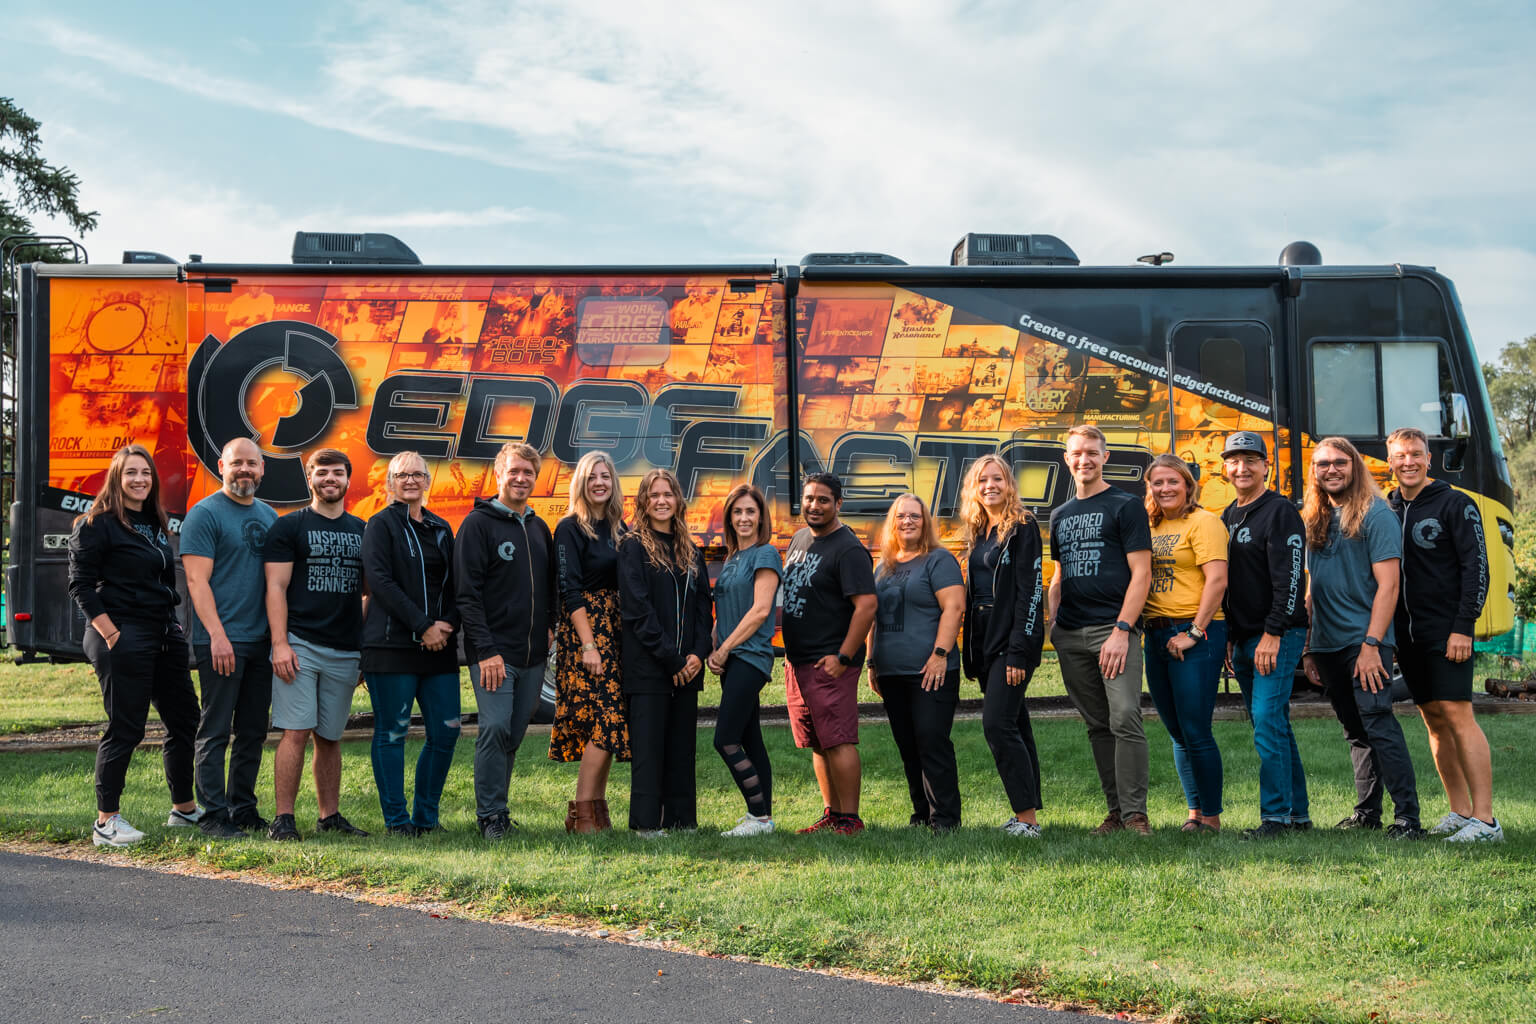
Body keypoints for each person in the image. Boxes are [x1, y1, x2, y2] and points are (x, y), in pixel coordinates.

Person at [68, 445, 202, 847]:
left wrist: (171, 627)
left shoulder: (153, 522)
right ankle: (106, 822)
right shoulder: (95, 524)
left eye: (145, 473)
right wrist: (112, 635)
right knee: (126, 725)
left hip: (162, 631)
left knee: (184, 720)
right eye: (131, 473)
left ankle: (184, 809)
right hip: (122, 631)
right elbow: (80, 585)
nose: (139, 479)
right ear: (116, 477)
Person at [1300, 437, 1422, 838]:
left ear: (1354, 467)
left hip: (1365, 640)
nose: (1331, 470)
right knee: (1354, 728)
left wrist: (1372, 645)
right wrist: (1309, 648)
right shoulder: (1314, 518)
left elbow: (1389, 587)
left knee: (1378, 721)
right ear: (1314, 471)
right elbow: (1310, 588)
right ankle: (1367, 811)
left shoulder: (1376, 514)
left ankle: (1408, 818)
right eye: (1322, 464)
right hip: (1327, 642)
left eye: (1339, 462)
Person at [1386, 427, 1500, 842]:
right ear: (1390, 462)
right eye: (1400, 456)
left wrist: (1463, 627)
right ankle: (1460, 810)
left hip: (1448, 631)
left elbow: (1477, 569)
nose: (1408, 462)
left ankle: (1487, 821)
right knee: (1433, 720)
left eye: (1415, 454)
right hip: (1408, 635)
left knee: (1458, 715)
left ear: (1428, 458)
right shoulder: (1390, 507)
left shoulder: (1455, 503)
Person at [1048, 425, 1154, 835]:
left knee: (1125, 716)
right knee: (1097, 724)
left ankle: (1135, 815)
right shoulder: (1060, 515)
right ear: (1067, 459)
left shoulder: (1125, 506)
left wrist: (1123, 629)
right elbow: (1060, 574)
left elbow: (1141, 573)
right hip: (1071, 635)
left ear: (1105, 456)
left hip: (1114, 631)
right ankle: (1115, 813)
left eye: (1092, 452)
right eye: (1076, 453)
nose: (1084, 460)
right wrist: (1054, 624)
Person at [263, 448, 369, 841]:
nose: (330, 479)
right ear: (310, 478)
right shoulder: (289, 527)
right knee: (296, 731)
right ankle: (283, 819)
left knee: (330, 736)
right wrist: (280, 644)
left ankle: (329, 816)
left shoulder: (362, 530)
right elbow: (275, 587)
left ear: (347, 479)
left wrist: (362, 649)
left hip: (345, 649)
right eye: (322, 472)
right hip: (300, 644)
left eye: (337, 473)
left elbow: (369, 593)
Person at [455, 442, 558, 840]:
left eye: (528, 473)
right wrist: (486, 651)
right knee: (495, 728)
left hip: (533, 656)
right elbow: (468, 594)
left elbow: (549, 586)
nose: (521, 478)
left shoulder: (537, 527)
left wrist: (549, 624)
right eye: (514, 471)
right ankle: (490, 816)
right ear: (498, 475)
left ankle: (500, 809)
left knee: (514, 734)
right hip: (495, 655)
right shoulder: (478, 525)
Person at [181, 437, 279, 838]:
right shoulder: (204, 515)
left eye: (251, 464)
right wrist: (217, 636)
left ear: (262, 469)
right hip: (220, 641)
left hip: (260, 642)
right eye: (237, 463)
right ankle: (213, 815)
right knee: (216, 729)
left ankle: (244, 809)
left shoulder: (271, 516)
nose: (244, 470)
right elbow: (196, 581)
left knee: (253, 731)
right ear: (221, 466)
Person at [360, 451, 461, 837]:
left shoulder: (441, 527)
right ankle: (397, 822)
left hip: (439, 649)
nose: (410, 481)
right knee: (393, 732)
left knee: (447, 731)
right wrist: (422, 626)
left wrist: (447, 624)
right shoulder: (379, 525)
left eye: (418, 474)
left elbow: (457, 584)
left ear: (427, 481)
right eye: (402, 475)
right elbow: (381, 583)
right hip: (392, 649)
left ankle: (426, 818)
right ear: (390, 483)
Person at [1219, 431, 1312, 839]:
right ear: (1225, 467)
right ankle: (1298, 815)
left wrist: (1273, 632)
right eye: (1235, 460)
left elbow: (1291, 578)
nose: (1242, 468)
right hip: (1242, 637)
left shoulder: (1279, 512)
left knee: (1267, 721)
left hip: (1276, 634)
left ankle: (1274, 818)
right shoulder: (1227, 515)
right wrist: (1228, 634)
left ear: (1265, 466)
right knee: (1273, 723)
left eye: (1251, 460)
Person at [780, 473, 878, 835]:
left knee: (837, 739)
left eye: (823, 500)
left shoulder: (848, 548)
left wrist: (844, 656)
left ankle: (851, 818)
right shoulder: (800, 538)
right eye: (809, 499)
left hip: (829, 662)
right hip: (799, 661)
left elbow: (866, 605)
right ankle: (832, 813)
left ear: (838, 504)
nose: (814, 506)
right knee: (817, 742)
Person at [617, 469, 712, 835]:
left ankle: (682, 820)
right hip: (649, 668)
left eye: (668, 494)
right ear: (643, 501)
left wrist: (697, 654)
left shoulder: (691, 550)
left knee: (681, 749)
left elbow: (704, 608)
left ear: (678, 500)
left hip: (687, 668)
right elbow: (637, 610)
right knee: (649, 750)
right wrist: (671, 659)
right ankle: (645, 825)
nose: (661, 501)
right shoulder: (633, 547)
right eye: (653, 495)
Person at [959, 455, 1046, 837]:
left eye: (997, 479)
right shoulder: (979, 530)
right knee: (1015, 724)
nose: (990, 485)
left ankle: (1026, 819)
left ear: (1009, 485)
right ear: (974, 489)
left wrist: (1019, 650)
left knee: (997, 725)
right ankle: (1028, 816)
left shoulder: (1022, 527)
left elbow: (1030, 592)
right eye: (983, 480)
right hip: (983, 639)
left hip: (1009, 639)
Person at [1141, 454, 1229, 832]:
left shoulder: (1204, 522)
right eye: (1157, 483)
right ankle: (1193, 812)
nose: (1165, 489)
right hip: (1156, 632)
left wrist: (1193, 632)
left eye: (1172, 482)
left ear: (1188, 485)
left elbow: (1217, 581)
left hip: (1197, 632)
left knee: (1195, 728)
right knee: (1176, 729)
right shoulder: (1150, 525)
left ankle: (1210, 817)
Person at [870, 494, 966, 832]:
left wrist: (940, 655)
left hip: (931, 670)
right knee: (908, 745)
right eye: (901, 516)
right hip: (892, 671)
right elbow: (874, 617)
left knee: (931, 740)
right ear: (892, 523)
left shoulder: (938, 560)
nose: (907, 521)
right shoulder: (883, 565)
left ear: (925, 522)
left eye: (915, 516)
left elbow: (954, 608)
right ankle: (921, 813)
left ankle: (946, 819)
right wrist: (871, 662)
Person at [551, 452, 629, 833]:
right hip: (587, 631)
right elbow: (570, 589)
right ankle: (583, 814)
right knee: (604, 719)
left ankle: (595, 813)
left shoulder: (619, 527)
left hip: (616, 632)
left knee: (612, 722)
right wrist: (589, 645)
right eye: (592, 477)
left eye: (606, 476)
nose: (599, 482)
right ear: (581, 483)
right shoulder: (569, 528)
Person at [707, 484, 782, 837]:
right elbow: (724, 608)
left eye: (750, 511)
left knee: (725, 738)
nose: (744, 518)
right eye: (737, 512)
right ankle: (762, 819)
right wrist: (714, 644)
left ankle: (759, 815)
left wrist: (724, 649)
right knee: (751, 738)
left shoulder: (765, 554)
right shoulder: (733, 557)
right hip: (730, 658)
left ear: (761, 516)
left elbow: (760, 611)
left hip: (750, 657)